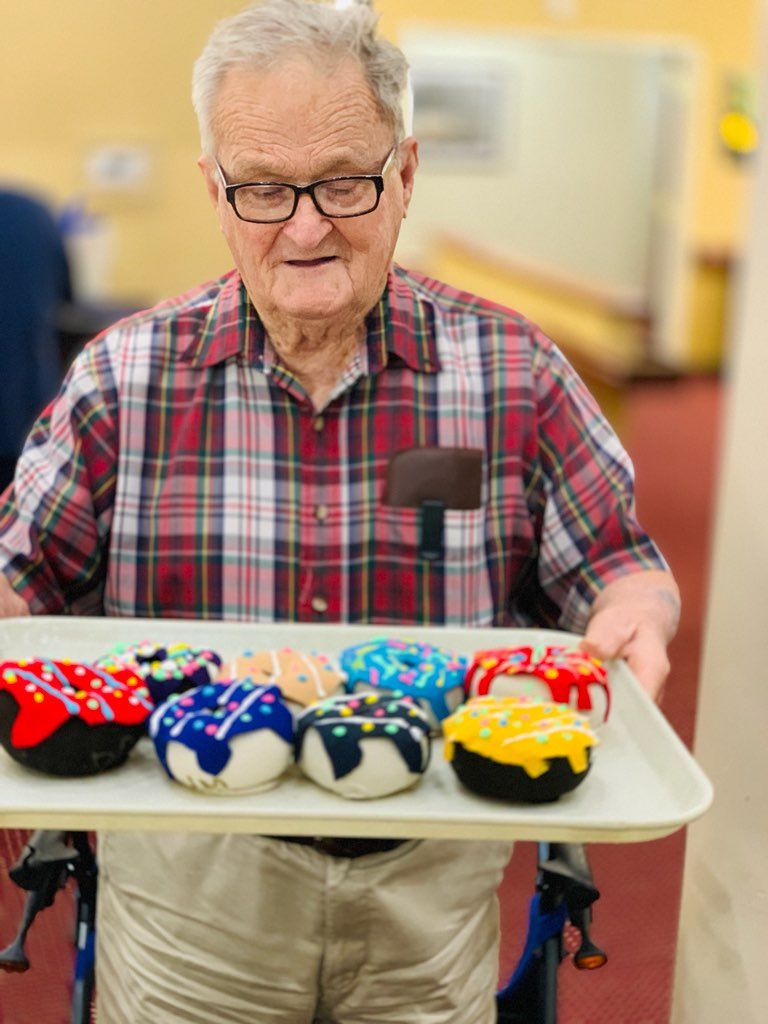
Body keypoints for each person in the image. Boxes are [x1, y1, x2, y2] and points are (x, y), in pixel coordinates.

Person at [0, 1, 680, 1021]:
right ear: (214, 190)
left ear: (404, 175)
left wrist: (640, 607)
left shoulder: (512, 370)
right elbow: (23, 580)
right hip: (193, 887)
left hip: (430, 880)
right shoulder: (122, 380)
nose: (307, 226)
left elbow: (616, 563)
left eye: (345, 182)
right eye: (264, 189)